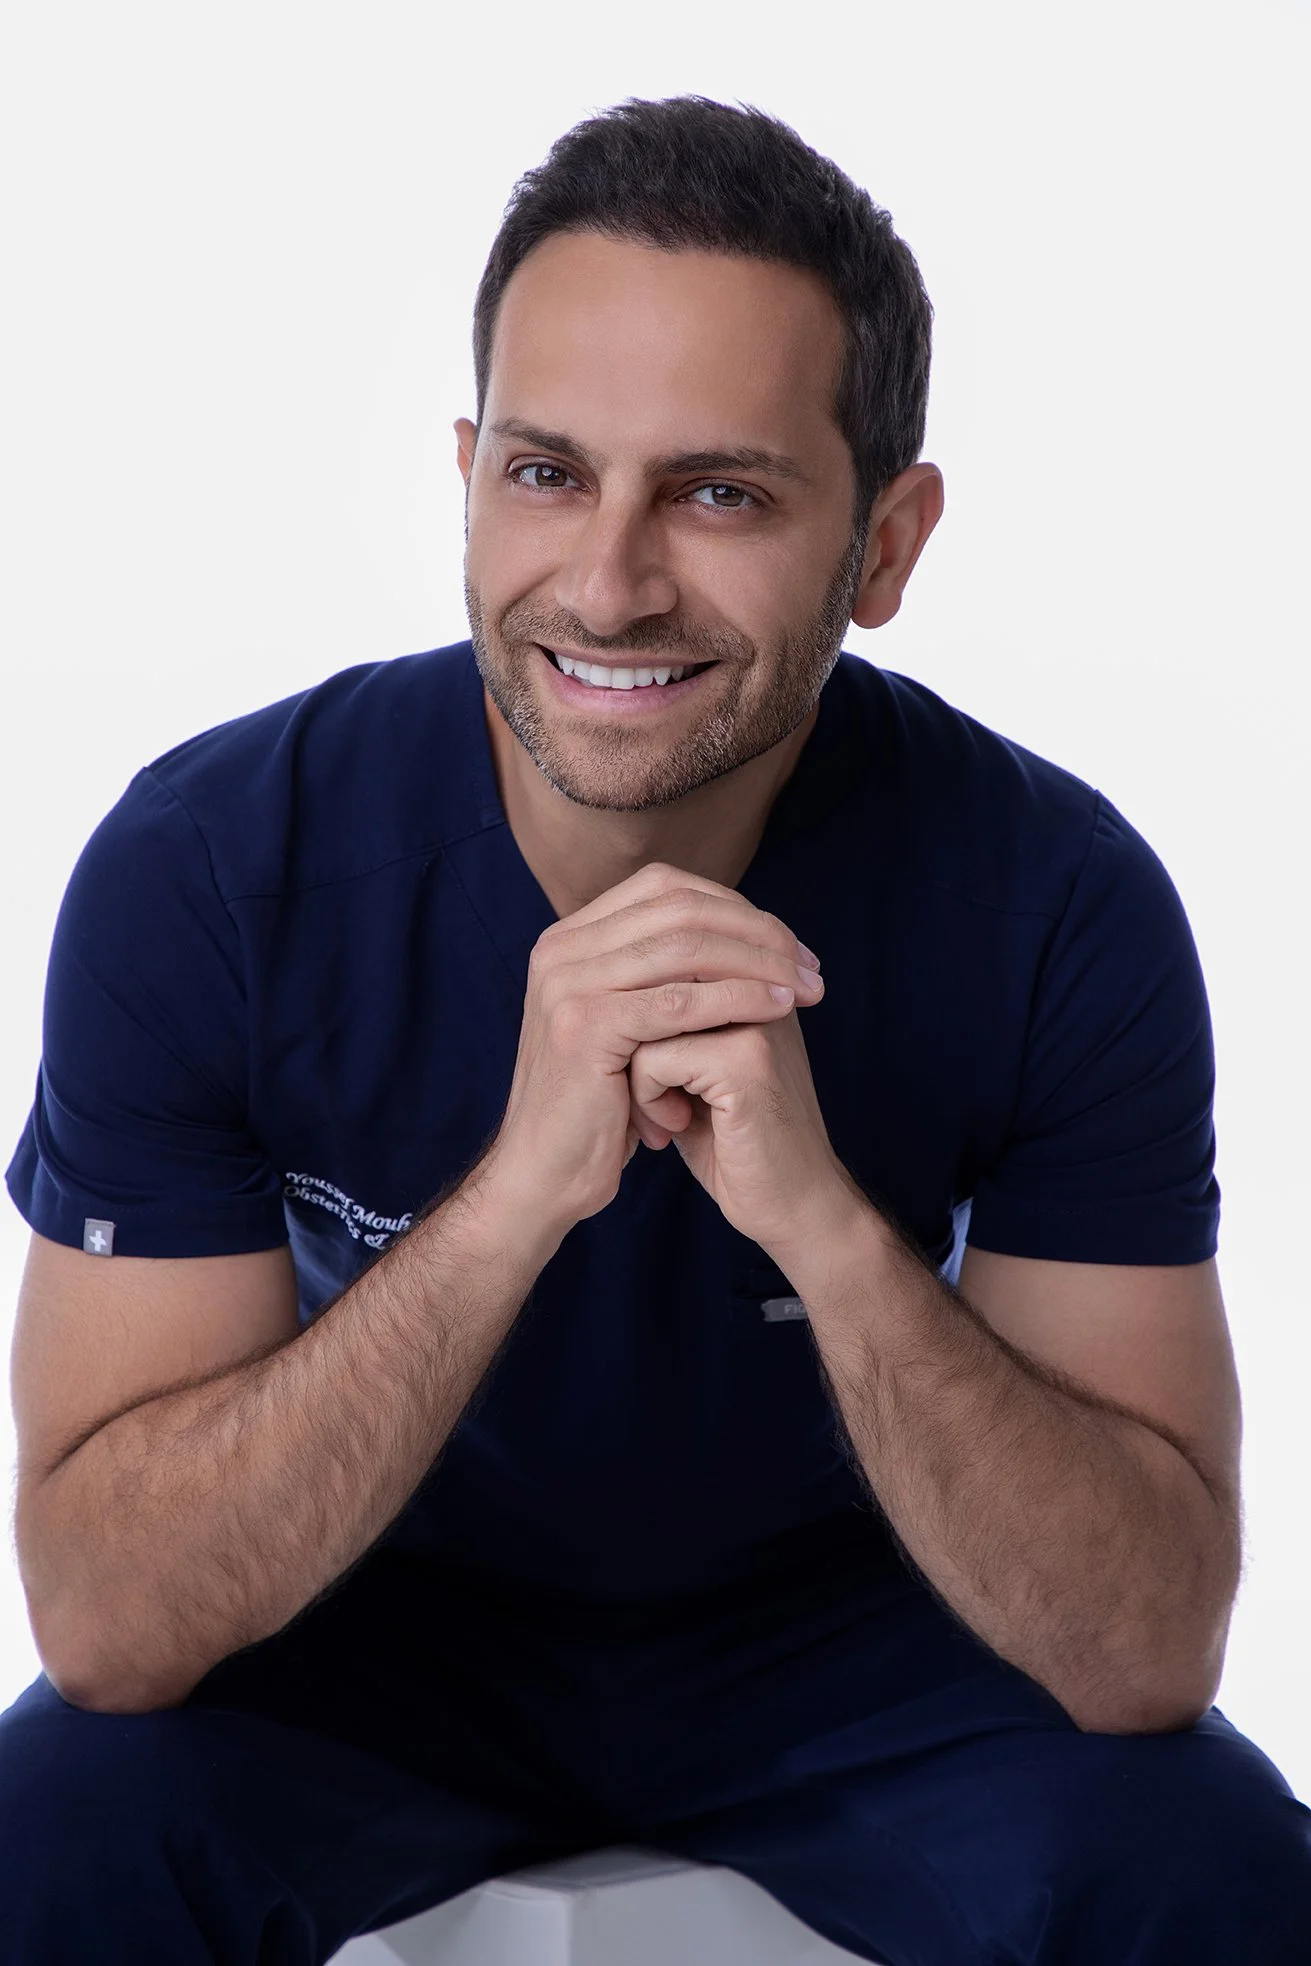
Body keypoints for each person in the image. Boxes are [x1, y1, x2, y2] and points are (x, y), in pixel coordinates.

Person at [0, 93, 1307, 1966]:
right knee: (43, 1844)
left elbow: (1144, 1649)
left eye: (718, 494)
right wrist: (513, 1196)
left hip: (869, 1645)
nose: (608, 582)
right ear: (467, 476)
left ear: (884, 543)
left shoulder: (1053, 899)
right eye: (548, 473)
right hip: (360, 1627)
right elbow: (109, 1625)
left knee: (1210, 1870)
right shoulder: (212, 867)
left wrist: (825, 1228)